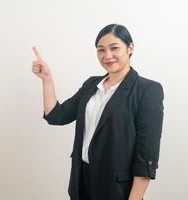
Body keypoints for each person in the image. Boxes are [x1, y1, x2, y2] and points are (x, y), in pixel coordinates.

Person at [31, 24, 164, 200]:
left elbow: (146, 158)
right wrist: (47, 79)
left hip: (117, 189)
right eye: (101, 50)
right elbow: (57, 116)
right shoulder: (91, 85)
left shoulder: (147, 90)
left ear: (130, 48)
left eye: (114, 48)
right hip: (81, 181)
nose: (107, 56)